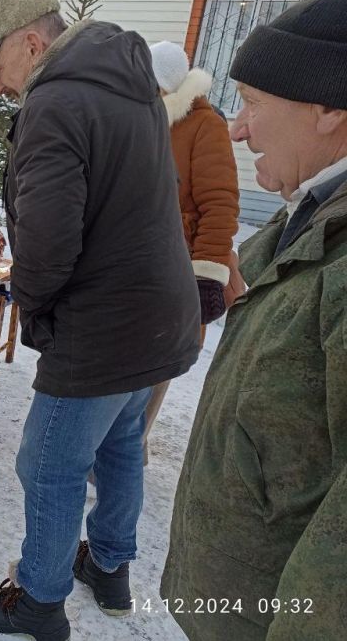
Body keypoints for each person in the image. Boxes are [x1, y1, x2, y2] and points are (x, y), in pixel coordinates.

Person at [0, 0, 200, 640]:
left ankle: (38, 601)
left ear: (31, 43)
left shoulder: (56, 102)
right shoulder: (133, 86)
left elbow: (50, 241)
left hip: (105, 327)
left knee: (48, 464)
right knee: (121, 443)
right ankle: (111, 568)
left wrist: (31, 305)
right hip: (160, 315)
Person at [162, 0, 347, 641]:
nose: (238, 128)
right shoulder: (306, 217)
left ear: (328, 107)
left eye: (253, 104)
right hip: (240, 603)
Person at [142, 41, 240, 462]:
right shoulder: (146, 119)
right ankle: (119, 446)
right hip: (140, 258)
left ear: (164, 86)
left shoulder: (205, 126)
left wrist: (206, 274)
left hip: (180, 263)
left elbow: (220, 203)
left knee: (160, 356)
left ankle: (134, 442)